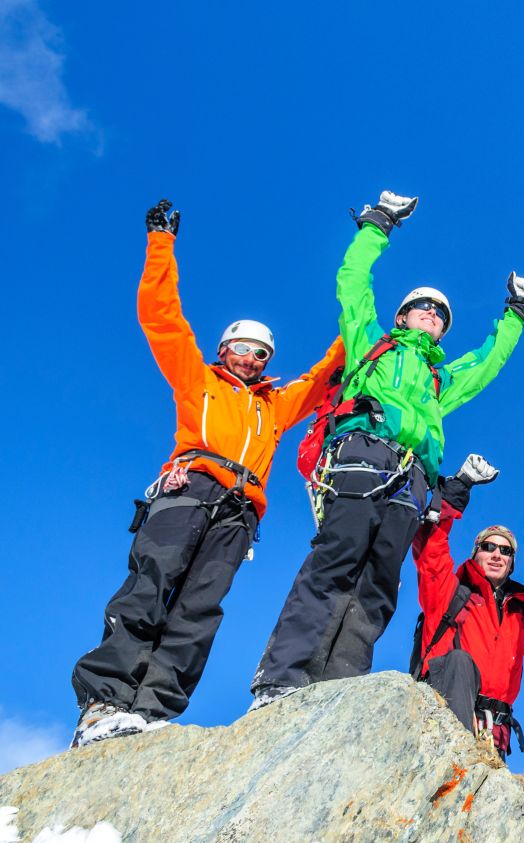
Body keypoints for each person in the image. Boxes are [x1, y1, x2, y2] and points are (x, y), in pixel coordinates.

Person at [70, 199, 344, 747]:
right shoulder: (200, 381)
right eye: (242, 348)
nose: (251, 358)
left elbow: (324, 375)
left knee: (200, 609)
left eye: (261, 353)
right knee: (149, 588)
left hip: (240, 511)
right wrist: (160, 245)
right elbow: (162, 321)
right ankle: (104, 702)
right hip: (190, 489)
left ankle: (152, 711)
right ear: (223, 349)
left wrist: (361, 324)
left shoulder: (275, 404)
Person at [249, 190, 524, 708]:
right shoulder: (371, 345)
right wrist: (378, 224)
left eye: (441, 315)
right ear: (403, 316)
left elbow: (486, 364)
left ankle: (336, 691)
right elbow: (353, 285)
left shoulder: (438, 378)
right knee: (335, 561)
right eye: (423, 308)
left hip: (414, 480)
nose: (432, 315)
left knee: (380, 582)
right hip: (363, 456)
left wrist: (516, 313)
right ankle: (281, 678)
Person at [409, 454, 524, 758]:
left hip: (493, 734)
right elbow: (430, 549)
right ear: (475, 553)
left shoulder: (520, 613)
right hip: (441, 721)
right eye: (488, 547)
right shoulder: (449, 593)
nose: (496, 554)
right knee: (459, 662)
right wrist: (457, 490)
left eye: (505, 551)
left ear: (511, 563)